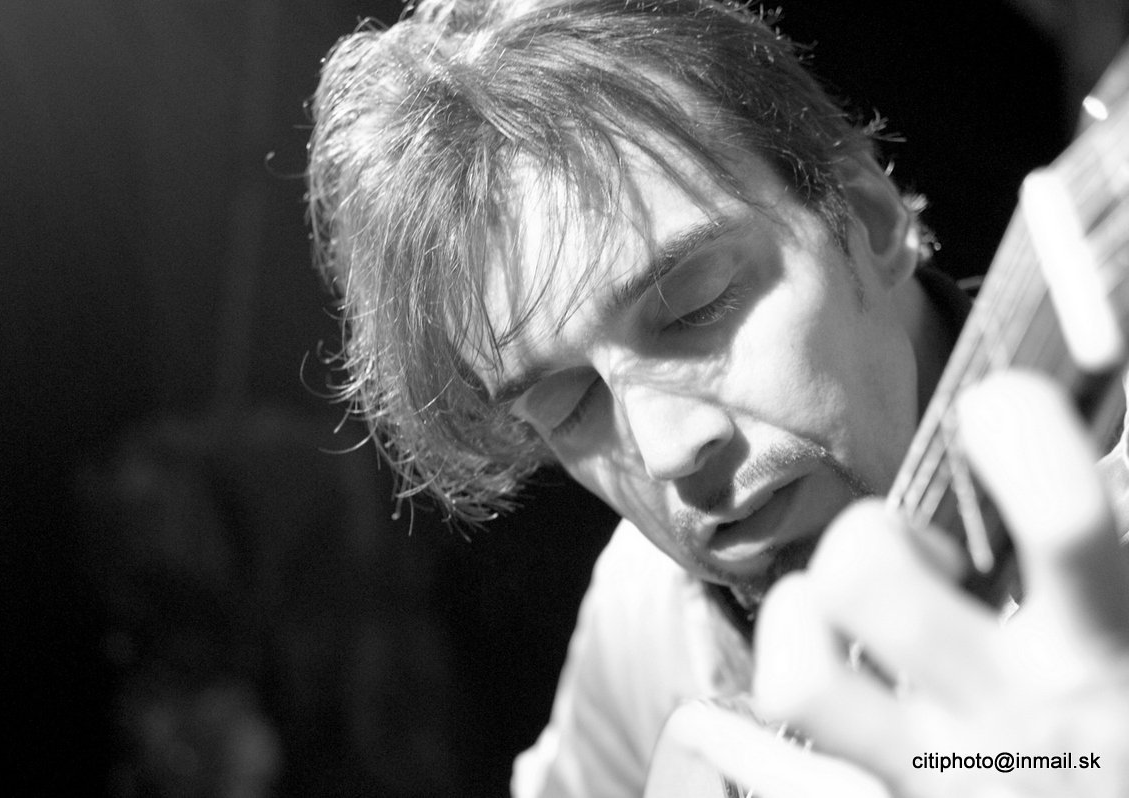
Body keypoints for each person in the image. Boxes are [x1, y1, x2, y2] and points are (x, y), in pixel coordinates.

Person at [306, 0, 1129, 795]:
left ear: (870, 220)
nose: (667, 450)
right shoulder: (649, 615)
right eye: (568, 405)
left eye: (696, 305)